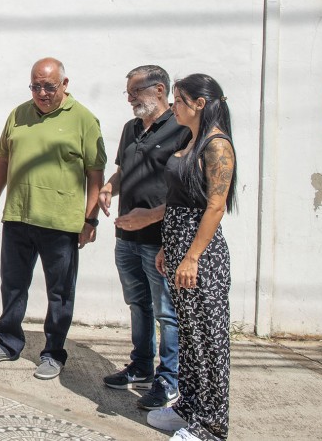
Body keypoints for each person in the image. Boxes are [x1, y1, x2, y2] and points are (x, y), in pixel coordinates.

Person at [0, 57, 105, 380]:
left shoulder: (84, 120)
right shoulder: (19, 114)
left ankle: (53, 353)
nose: (42, 93)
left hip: (62, 222)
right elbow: (3, 159)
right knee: (13, 285)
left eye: (49, 86)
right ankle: (8, 342)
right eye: (36, 86)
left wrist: (90, 221)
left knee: (60, 291)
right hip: (19, 215)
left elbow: (95, 172)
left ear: (65, 84)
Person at [142, 73, 236, 441]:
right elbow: (183, 200)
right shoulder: (191, 139)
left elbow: (216, 206)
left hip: (203, 258)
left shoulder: (217, 145)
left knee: (209, 341)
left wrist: (193, 257)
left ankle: (211, 426)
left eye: (179, 100)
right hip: (180, 249)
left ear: (200, 103)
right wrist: (169, 246)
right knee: (190, 337)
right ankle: (189, 409)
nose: (174, 106)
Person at [98, 66, 190, 410]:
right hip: (126, 237)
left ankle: (169, 380)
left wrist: (151, 218)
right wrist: (109, 186)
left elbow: (188, 192)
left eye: (135, 91)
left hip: (160, 240)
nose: (130, 98)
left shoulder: (181, 128)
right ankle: (141, 366)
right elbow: (124, 170)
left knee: (167, 313)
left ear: (160, 89)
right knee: (138, 304)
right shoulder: (131, 128)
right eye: (128, 92)